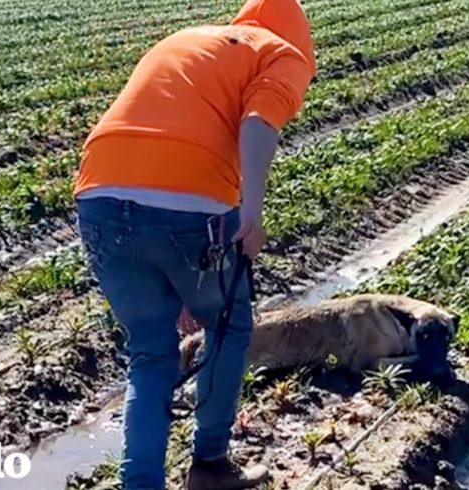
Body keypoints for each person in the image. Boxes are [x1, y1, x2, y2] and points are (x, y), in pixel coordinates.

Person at [73, 0, 316, 488]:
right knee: (228, 327)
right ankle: (210, 464)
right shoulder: (282, 53)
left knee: (150, 352)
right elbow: (257, 122)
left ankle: (140, 483)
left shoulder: (191, 40)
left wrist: (185, 286)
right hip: (192, 207)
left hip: (99, 194)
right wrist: (251, 213)